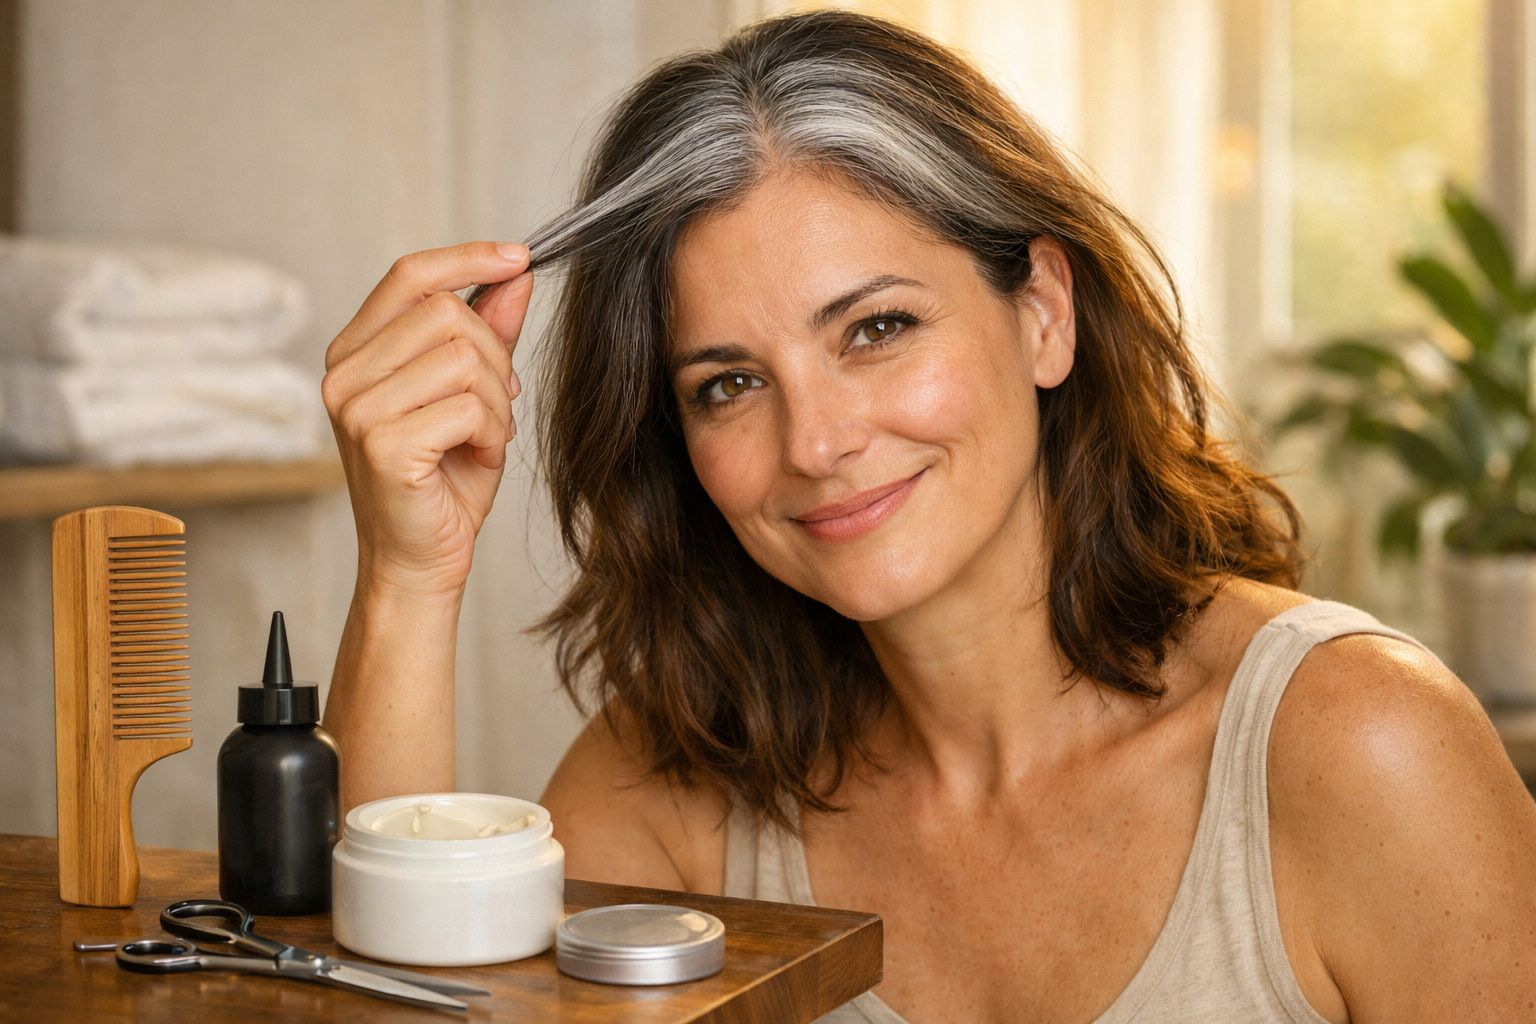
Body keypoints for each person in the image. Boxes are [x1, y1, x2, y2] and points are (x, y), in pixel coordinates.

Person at [319, 10, 1536, 1023]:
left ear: (1043, 312)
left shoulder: (1362, 747)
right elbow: (401, 997)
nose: (818, 442)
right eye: (727, 383)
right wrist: (407, 574)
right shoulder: (678, 794)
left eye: (878, 328)